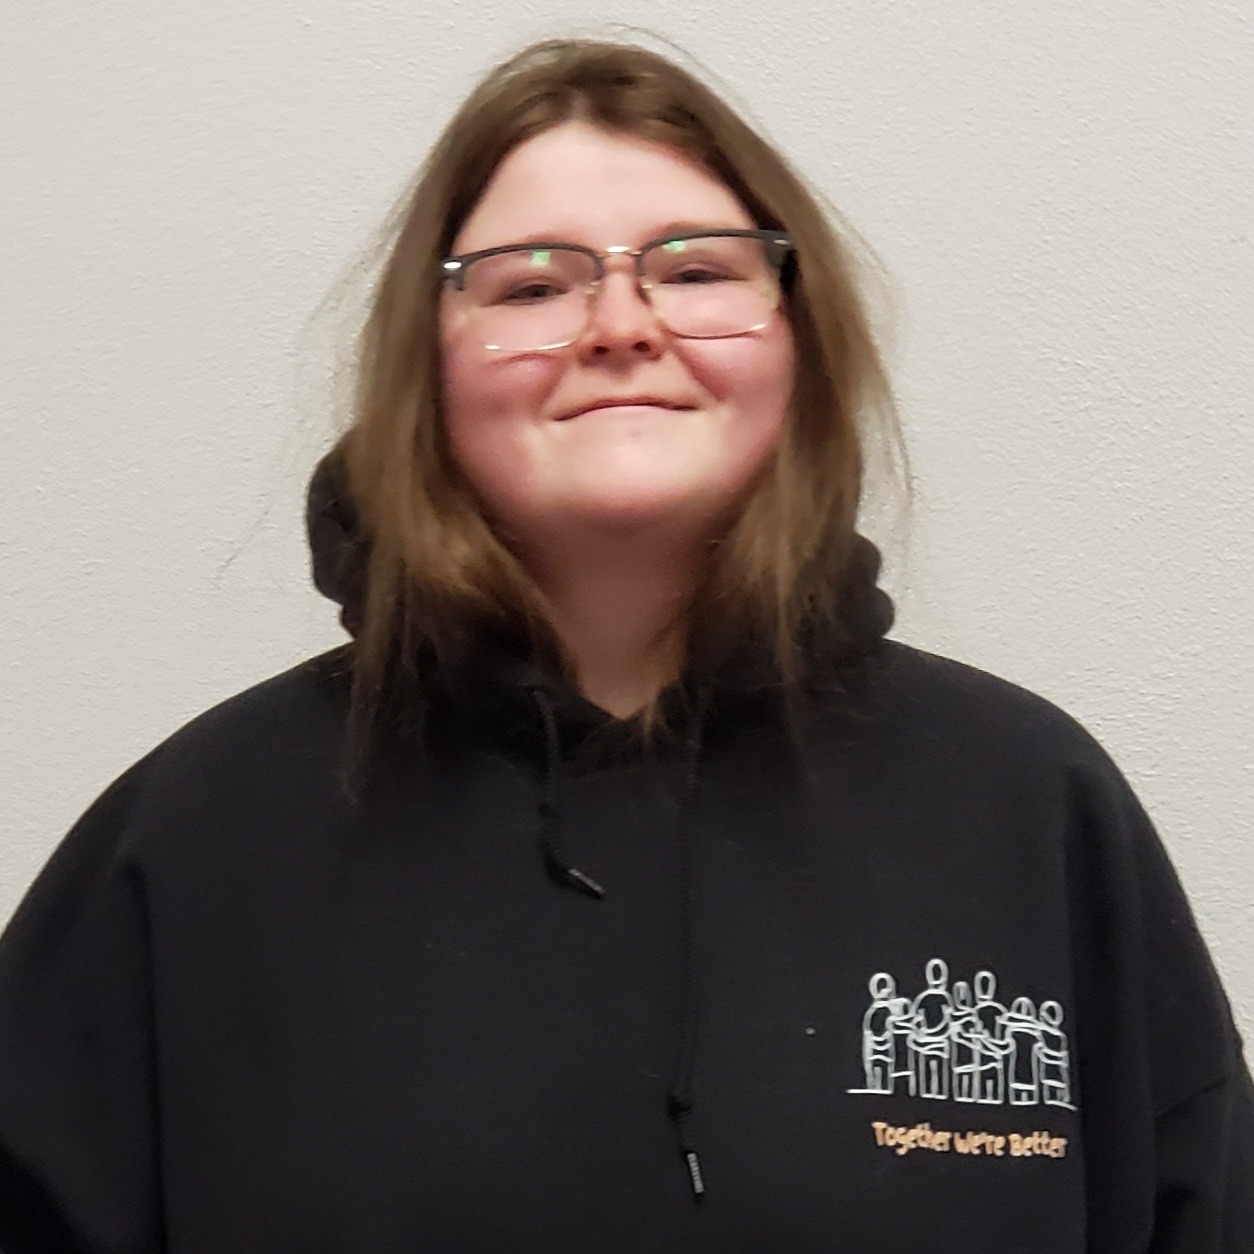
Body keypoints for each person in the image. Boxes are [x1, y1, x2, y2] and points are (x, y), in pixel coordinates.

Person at [1, 34, 1251, 1253]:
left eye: (696, 271)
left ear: (802, 347)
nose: (619, 323)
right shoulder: (196, 841)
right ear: (424, 370)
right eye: (531, 284)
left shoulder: (1027, 808)